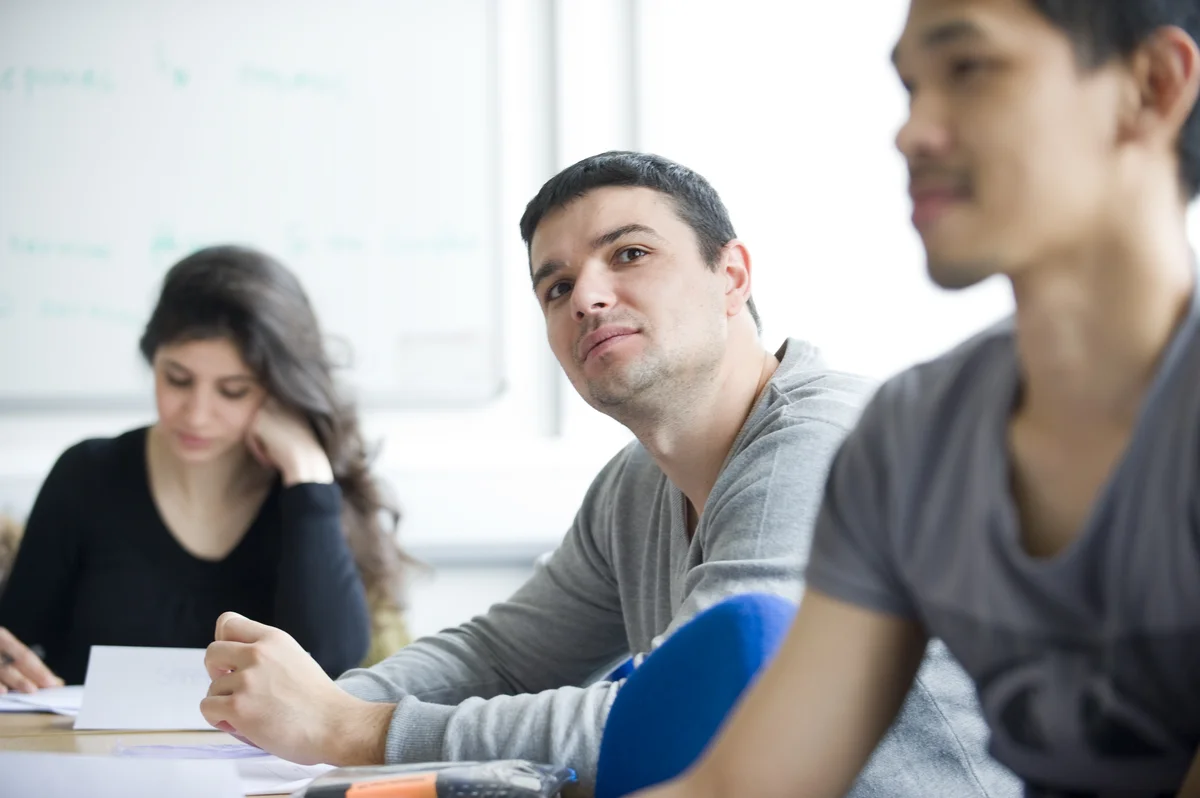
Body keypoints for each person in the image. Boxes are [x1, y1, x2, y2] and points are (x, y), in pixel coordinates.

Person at [196, 152, 1015, 796]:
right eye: (556, 287)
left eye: (629, 254)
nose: (586, 297)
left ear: (732, 276)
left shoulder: (827, 440)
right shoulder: (635, 484)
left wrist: (348, 728)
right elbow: (502, 656)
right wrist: (315, 699)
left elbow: (698, 724)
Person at [634, 1, 1200, 797]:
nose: (911, 132)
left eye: (969, 69)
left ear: (1153, 85)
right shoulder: (911, 438)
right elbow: (743, 785)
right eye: (911, 88)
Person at [0, 245, 410, 689]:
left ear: (277, 389)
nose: (196, 415)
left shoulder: (306, 497)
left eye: (233, 391)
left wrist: (307, 469)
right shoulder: (87, 474)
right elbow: (16, 640)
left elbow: (329, 662)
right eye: (177, 379)